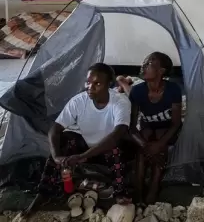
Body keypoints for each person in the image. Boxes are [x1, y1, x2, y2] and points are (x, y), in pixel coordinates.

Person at [22, 63, 132, 217]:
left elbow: (117, 135)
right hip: (85, 146)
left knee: (115, 148)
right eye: (88, 82)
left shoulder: (120, 102)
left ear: (109, 85)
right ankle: (44, 193)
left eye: (97, 83)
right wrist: (56, 157)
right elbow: (55, 129)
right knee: (67, 139)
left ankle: (120, 192)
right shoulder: (79, 101)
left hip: (107, 149)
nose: (90, 87)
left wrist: (82, 157)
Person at [129, 52, 182, 204]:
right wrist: (146, 146)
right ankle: (139, 190)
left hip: (166, 129)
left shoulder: (173, 90)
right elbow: (132, 127)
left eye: (149, 64)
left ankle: (153, 187)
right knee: (142, 146)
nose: (144, 66)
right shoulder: (137, 91)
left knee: (160, 140)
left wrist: (159, 145)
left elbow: (176, 123)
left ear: (161, 71)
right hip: (148, 128)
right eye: (144, 63)